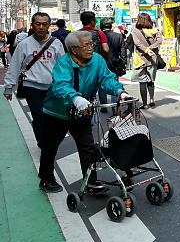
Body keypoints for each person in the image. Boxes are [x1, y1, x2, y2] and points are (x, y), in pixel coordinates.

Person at [37, 30, 132, 194]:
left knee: (87, 147)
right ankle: (46, 179)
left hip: (83, 111)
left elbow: (107, 79)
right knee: (50, 147)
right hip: (57, 112)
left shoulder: (97, 60)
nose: (91, 48)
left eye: (92, 44)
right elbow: (61, 85)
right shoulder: (63, 63)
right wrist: (76, 99)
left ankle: (91, 182)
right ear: (73, 49)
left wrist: (120, 92)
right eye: (86, 45)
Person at [4, 13, 65, 148]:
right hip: (32, 86)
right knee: (38, 116)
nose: (41, 27)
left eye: (44, 24)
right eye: (38, 24)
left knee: (52, 117)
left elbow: (63, 66)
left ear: (49, 26)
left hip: (52, 87)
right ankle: (43, 143)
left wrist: (67, 85)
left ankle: (48, 139)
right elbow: (15, 65)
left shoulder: (56, 43)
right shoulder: (24, 44)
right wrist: (8, 86)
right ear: (32, 25)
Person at [131, 13, 163, 109]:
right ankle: (152, 100)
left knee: (142, 82)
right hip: (152, 59)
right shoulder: (155, 30)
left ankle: (145, 104)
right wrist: (151, 48)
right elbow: (159, 41)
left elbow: (138, 44)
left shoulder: (135, 31)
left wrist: (146, 50)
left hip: (141, 59)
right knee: (151, 80)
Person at [98, 18, 126, 105]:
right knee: (114, 82)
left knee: (101, 83)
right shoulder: (118, 36)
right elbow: (123, 52)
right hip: (115, 63)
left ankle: (103, 104)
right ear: (111, 26)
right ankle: (114, 105)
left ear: (101, 26)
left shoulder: (99, 36)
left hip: (101, 63)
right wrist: (123, 63)